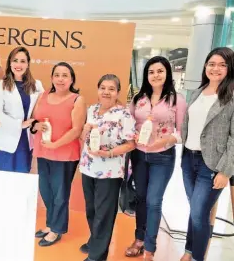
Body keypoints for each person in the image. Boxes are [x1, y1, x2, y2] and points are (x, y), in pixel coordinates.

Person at [125, 56, 187, 260]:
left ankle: (150, 248)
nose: (155, 75)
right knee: (141, 198)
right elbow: (129, 124)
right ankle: (139, 239)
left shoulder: (177, 99)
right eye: (151, 72)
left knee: (153, 200)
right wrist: (131, 134)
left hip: (163, 156)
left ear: (167, 73)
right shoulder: (138, 99)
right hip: (139, 156)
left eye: (160, 71)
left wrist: (162, 142)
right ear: (146, 75)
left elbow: (181, 132)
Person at [180, 47, 234, 261]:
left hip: (211, 164)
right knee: (195, 211)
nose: (216, 68)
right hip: (188, 158)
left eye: (222, 64)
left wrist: (226, 171)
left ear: (230, 68)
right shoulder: (198, 92)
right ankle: (189, 251)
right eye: (212, 64)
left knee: (200, 214)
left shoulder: (231, 96)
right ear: (205, 67)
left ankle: (196, 257)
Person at [79, 74, 136, 261]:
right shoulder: (92, 109)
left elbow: (130, 144)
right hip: (88, 167)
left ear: (117, 92)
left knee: (104, 213)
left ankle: (97, 256)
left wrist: (109, 153)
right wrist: (85, 131)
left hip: (110, 171)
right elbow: (83, 138)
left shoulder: (124, 114)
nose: (106, 92)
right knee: (91, 210)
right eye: (103, 87)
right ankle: (96, 241)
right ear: (98, 90)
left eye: (111, 89)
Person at [31, 62, 86, 247]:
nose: (60, 79)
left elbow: (76, 130)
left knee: (60, 193)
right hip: (43, 150)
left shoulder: (77, 99)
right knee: (46, 191)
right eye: (57, 75)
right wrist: (36, 126)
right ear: (52, 78)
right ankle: (50, 224)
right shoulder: (43, 95)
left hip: (65, 154)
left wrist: (55, 144)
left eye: (65, 75)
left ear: (71, 79)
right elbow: (35, 120)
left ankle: (57, 230)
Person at [0, 46, 44, 173]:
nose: (18, 64)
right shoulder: (0, 85)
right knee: (3, 181)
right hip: (6, 139)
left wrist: (34, 124)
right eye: (15, 60)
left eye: (23, 61)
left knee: (22, 180)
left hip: (26, 141)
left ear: (28, 64)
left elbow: (42, 108)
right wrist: (19, 124)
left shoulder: (37, 85)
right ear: (10, 63)